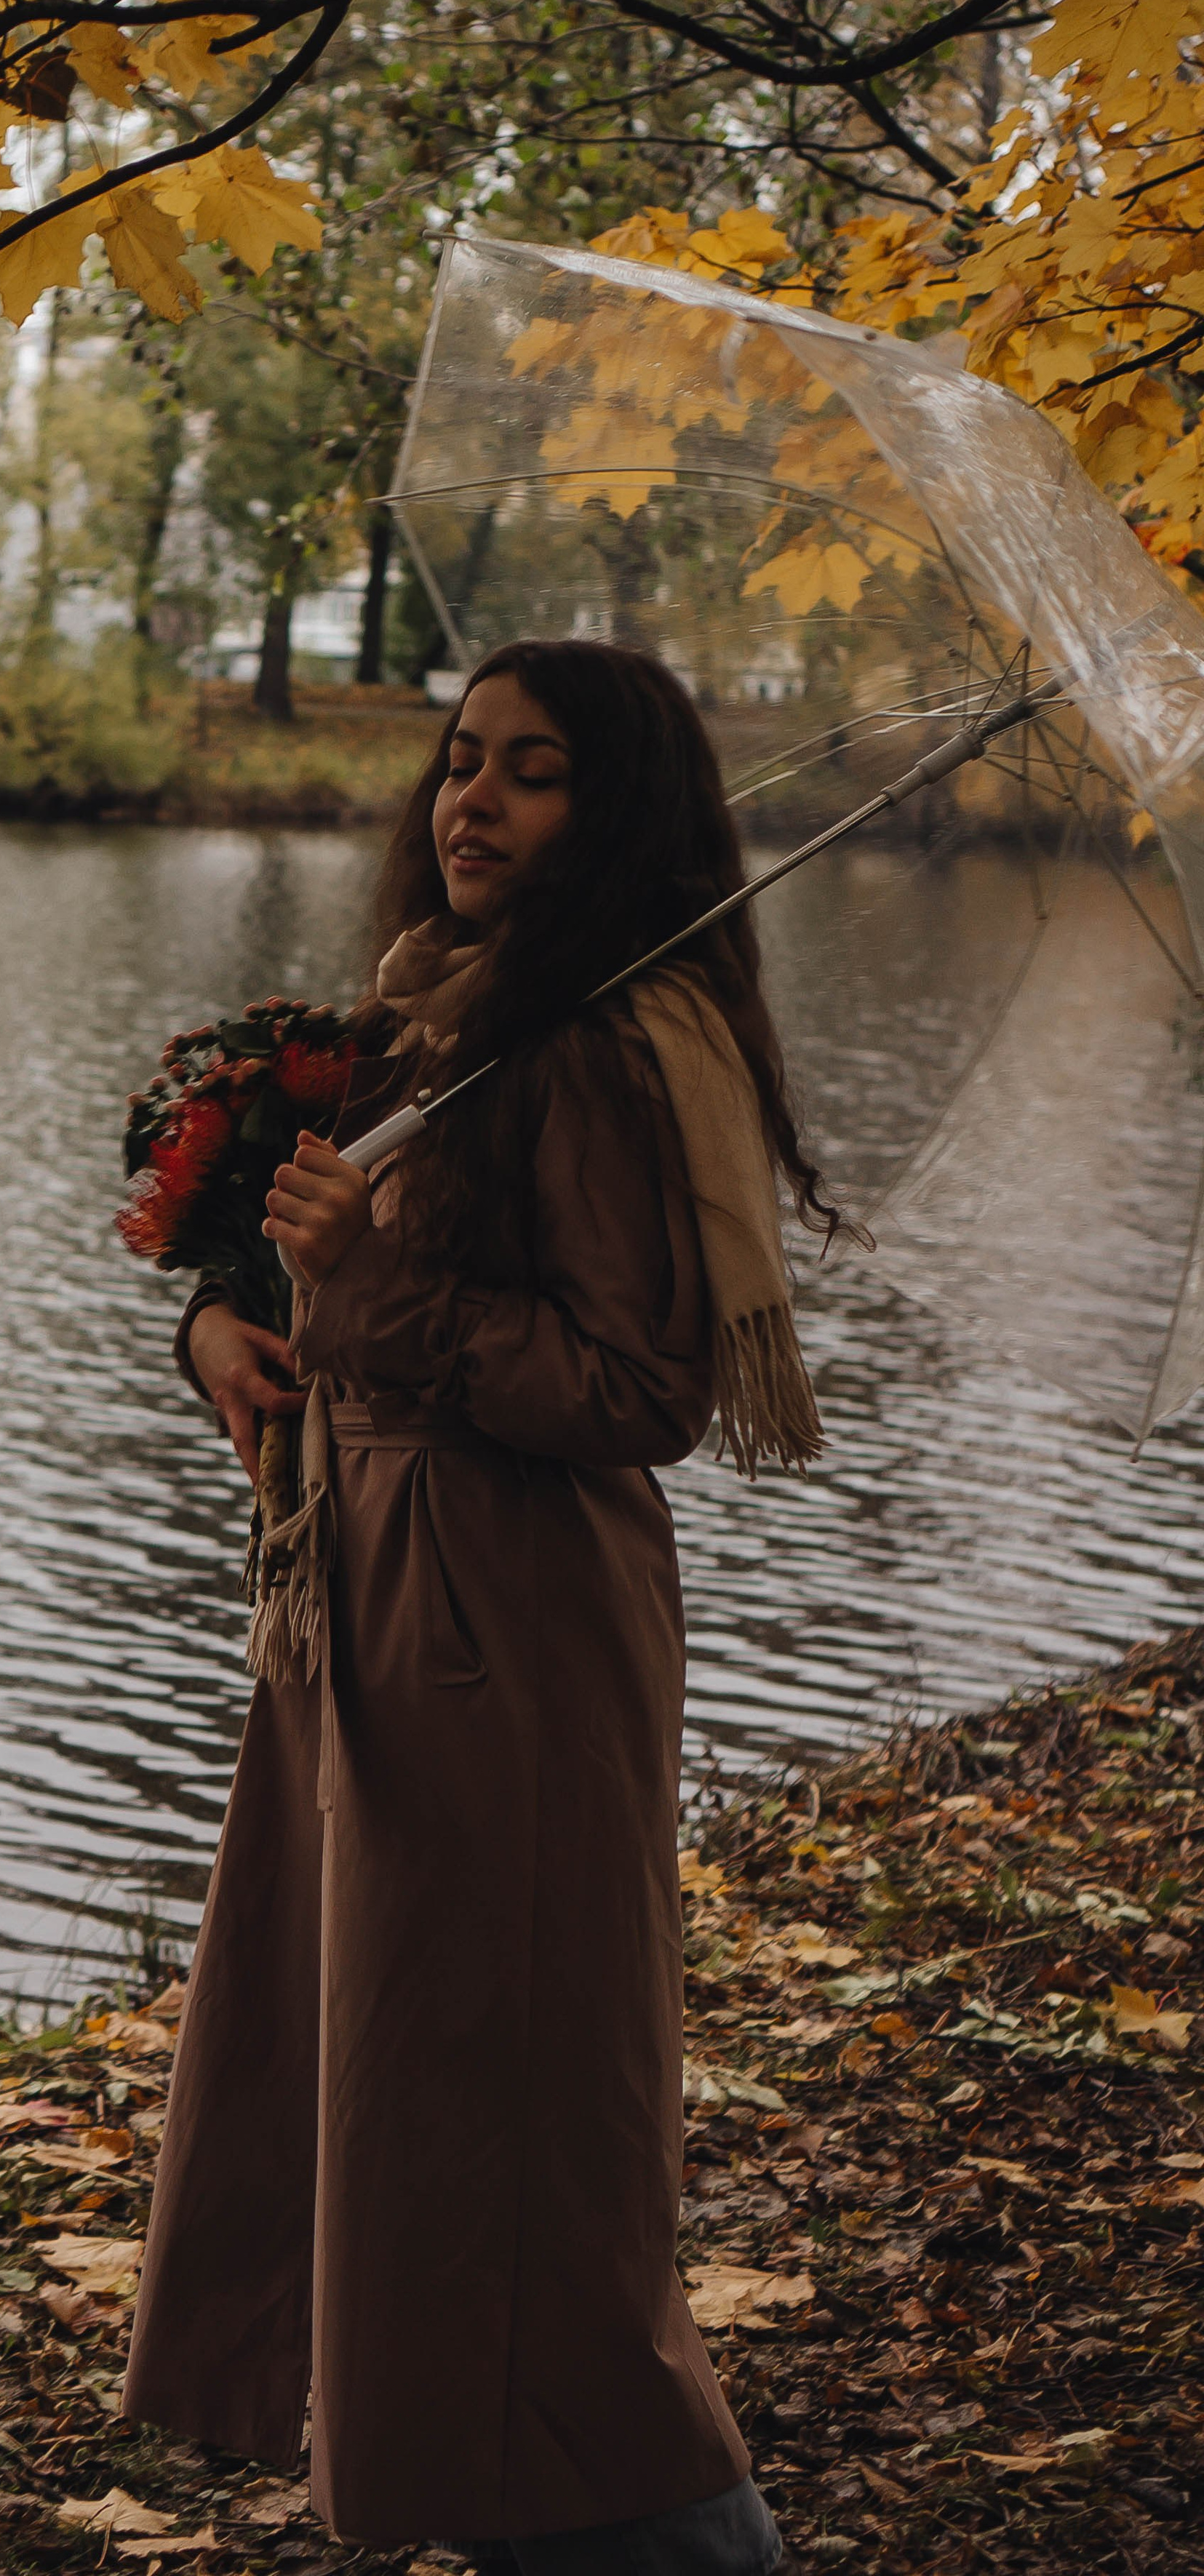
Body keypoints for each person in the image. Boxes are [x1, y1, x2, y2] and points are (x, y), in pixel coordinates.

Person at [122, 639, 842, 2575]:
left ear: (615, 820)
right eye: (459, 762)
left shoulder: (616, 1050)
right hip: (373, 1599)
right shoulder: (444, 1020)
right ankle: (471, 2488)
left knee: (515, 2108)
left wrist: (368, 1309)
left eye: (531, 774)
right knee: (388, 2080)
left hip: (511, 1633)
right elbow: (331, 1286)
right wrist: (229, 1329)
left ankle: (671, 2531)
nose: (470, 800)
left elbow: (638, 1394)